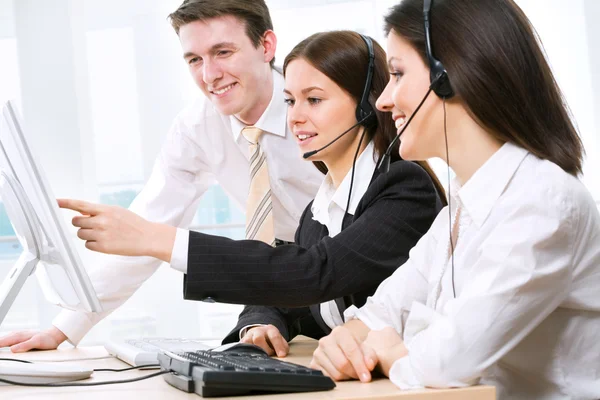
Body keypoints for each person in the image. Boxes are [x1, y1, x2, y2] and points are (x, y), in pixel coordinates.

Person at [54, 31, 446, 357]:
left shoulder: (404, 189)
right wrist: (261, 321)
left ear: (366, 106)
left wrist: (158, 239)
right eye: (290, 100)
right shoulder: (319, 210)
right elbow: (294, 288)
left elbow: (317, 273)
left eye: (314, 99)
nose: (294, 116)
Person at [309, 0, 600, 398]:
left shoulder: (542, 203)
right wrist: (347, 343)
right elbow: (380, 314)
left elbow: (447, 362)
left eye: (397, 74)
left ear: (449, 76)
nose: (382, 101)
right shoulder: (461, 208)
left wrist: (394, 351)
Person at [0, 0, 327, 352]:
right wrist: (61, 329)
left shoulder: (323, 107)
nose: (209, 74)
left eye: (222, 52)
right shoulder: (197, 127)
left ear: (266, 46)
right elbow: (145, 229)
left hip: (362, 274)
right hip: (284, 284)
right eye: (194, 59)